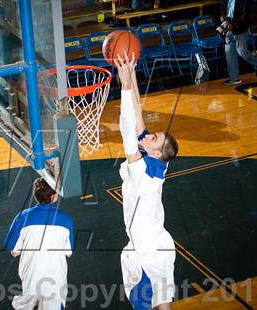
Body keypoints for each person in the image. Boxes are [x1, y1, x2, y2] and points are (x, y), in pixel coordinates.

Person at [114, 53, 178, 310]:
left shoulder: (141, 168)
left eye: (154, 139)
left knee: (149, 306)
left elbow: (127, 124)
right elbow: (137, 113)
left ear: (156, 153)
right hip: (158, 243)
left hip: (147, 252)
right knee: (162, 304)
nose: (149, 135)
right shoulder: (157, 161)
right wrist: (130, 75)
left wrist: (125, 83)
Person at [4, 178, 74, 310]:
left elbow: (14, 252)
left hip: (31, 276)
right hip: (55, 278)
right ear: (53, 196)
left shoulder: (22, 217)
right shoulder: (66, 219)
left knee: (26, 303)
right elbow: (68, 252)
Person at [221, 0, 257, 86]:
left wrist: (233, 24)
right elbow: (222, 11)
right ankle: (234, 78)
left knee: (241, 52)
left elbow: (244, 16)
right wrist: (222, 18)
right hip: (228, 30)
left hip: (240, 29)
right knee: (229, 55)